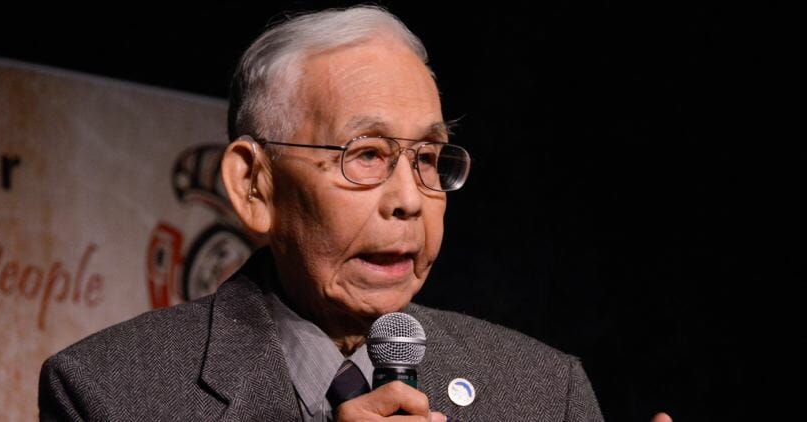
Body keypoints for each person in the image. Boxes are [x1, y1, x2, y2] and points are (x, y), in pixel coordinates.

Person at [39, 6, 670, 421]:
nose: (407, 199)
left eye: (427, 156)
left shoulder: (540, 392)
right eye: (365, 154)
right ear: (255, 185)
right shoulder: (110, 393)